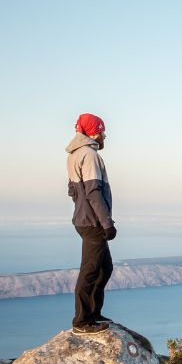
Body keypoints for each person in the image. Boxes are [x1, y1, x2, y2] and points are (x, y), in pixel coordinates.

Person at [66, 113, 116, 334]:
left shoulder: (74, 155)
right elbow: (93, 191)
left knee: (105, 268)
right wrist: (106, 222)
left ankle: (93, 314)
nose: (104, 135)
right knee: (91, 270)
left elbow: (72, 191)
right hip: (93, 223)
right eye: (102, 130)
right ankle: (82, 322)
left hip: (84, 220)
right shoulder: (90, 155)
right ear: (95, 131)